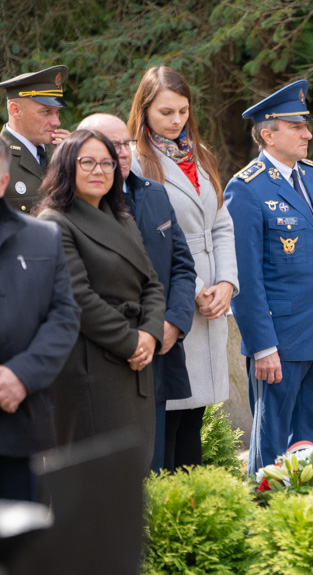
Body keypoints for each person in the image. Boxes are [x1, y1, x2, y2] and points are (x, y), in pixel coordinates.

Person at [225, 80, 313, 474]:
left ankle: (308, 521)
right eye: (297, 127)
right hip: (279, 343)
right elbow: (246, 279)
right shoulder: (247, 188)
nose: (308, 134)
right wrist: (262, 346)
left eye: (305, 125)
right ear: (267, 133)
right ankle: (264, 522)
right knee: (273, 445)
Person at [35, 129, 165, 480]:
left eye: (107, 163)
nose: (99, 171)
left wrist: (150, 334)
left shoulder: (121, 218)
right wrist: (131, 341)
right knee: (96, 481)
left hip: (135, 359)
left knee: (129, 475)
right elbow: (77, 297)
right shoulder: (54, 222)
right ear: (66, 168)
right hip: (90, 364)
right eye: (87, 162)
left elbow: (151, 281)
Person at [128, 66, 238, 471]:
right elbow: (149, 241)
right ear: (144, 112)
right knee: (170, 417)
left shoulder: (201, 155)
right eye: (166, 113)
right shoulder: (138, 164)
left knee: (197, 417)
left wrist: (226, 281)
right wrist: (195, 289)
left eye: (183, 112)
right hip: (174, 296)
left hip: (214, 299)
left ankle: (191, 510)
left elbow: (222, 223)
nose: (176, 122)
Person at [78, 113, 197, 471]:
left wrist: (171, 323)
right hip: (105, 357)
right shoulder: (74, 211)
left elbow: (180, 267)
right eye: (111, 146)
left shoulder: (154, 193)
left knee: (156, 462)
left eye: (126, 143)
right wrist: (134, 339)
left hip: (159, 347)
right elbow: (81, 292)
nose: (123, 152)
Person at [0, 141, 80, 501]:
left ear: (3, 181)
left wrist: (21, 375)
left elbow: (64, 316)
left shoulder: (42, 238)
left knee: (19, 550)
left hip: (19, 426)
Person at [0, 65, 71, 213]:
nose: (56, 122)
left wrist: (76, 158)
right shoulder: (2, 157)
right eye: (46, 112)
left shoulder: (62, 152)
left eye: (57, 112)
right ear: (16, 110)